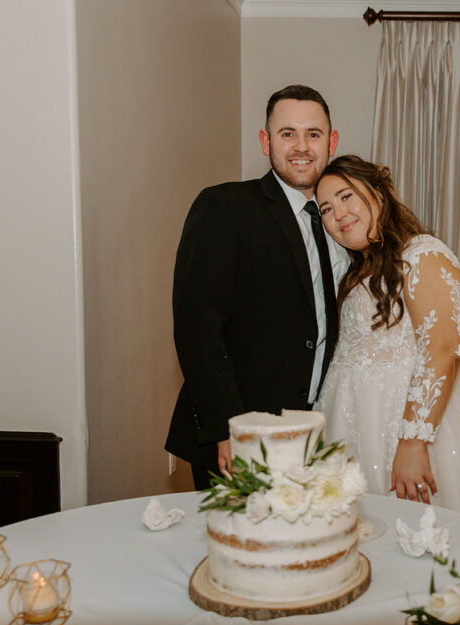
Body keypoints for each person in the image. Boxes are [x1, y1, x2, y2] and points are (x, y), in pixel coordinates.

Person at [313, 155, 460, 538]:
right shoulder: (357, 272)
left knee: (431, 540)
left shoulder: (421, 254)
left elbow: (443, 349)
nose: (339, 214)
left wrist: (414, 442)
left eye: (347, 196)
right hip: (350, 426)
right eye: (326, 209)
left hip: (411, 425)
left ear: (378, 192)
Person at [166, 85, 349, 490]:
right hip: (241, 432)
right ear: (266, 142)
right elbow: (198, 329)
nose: (301, 146)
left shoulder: (338, 219)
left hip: (310, 430)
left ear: (331, 142)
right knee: (237, 549)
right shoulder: (225, 207)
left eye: (313, 134)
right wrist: (227, 429)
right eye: (288, 134)